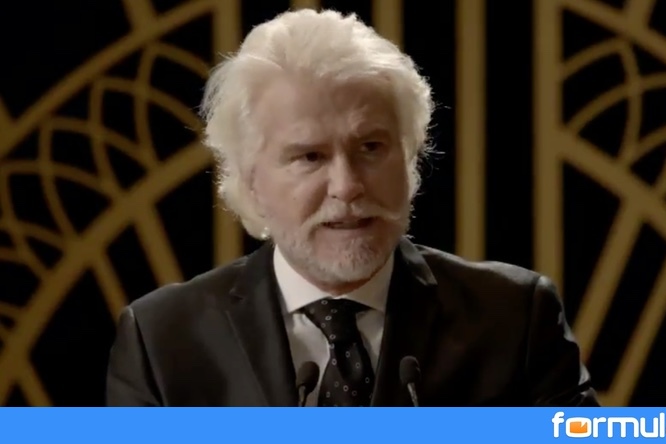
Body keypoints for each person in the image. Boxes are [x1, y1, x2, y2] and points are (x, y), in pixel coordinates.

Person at [105, 8, 599, 407]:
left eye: (371, 148)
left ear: (409, 157)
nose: (347, 186)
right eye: (310, 157)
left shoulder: (514, 317)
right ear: (251, 181)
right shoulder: (162, 340)